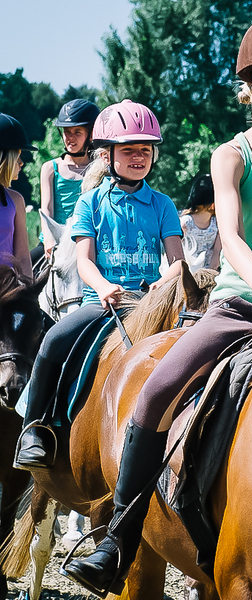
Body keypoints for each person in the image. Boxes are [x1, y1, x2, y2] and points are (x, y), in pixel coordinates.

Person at [58, 12, 252, 597]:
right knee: (153, 391)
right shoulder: (230, 156)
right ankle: (119, 539)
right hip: (239, 308)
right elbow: (231, 235)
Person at [14, 99, 185, 473]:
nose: (139, 157)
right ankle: (34, 428)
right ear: (107, 156)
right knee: (54, 340)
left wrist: (160, 284)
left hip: (150, 302)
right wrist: (105, 286)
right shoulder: (89, 203)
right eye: (128, 150)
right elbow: (85, 261)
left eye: (145, 149)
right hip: (102, 302)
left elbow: (178, 263)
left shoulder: (163, 204)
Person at [31, 100, 101, 266]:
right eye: (67, 132)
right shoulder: (50, 168)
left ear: (91, 134)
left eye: (77, 132)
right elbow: (47, 210)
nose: (70, 137)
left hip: (87, 241)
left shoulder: (99, 170)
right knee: (22, 275)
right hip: (53, 241)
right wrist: (48, 239)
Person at [0, 113, 36, 278]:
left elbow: (22, 257)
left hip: (8, 290)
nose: (21, 162)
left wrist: (28, 293)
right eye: (17, 155)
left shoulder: (16, 200)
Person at [180, 173, 221, 270]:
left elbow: (217, 254)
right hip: (187, 274)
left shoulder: (217, 224)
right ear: (213, 204)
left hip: (209, 274)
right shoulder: (185, 223)